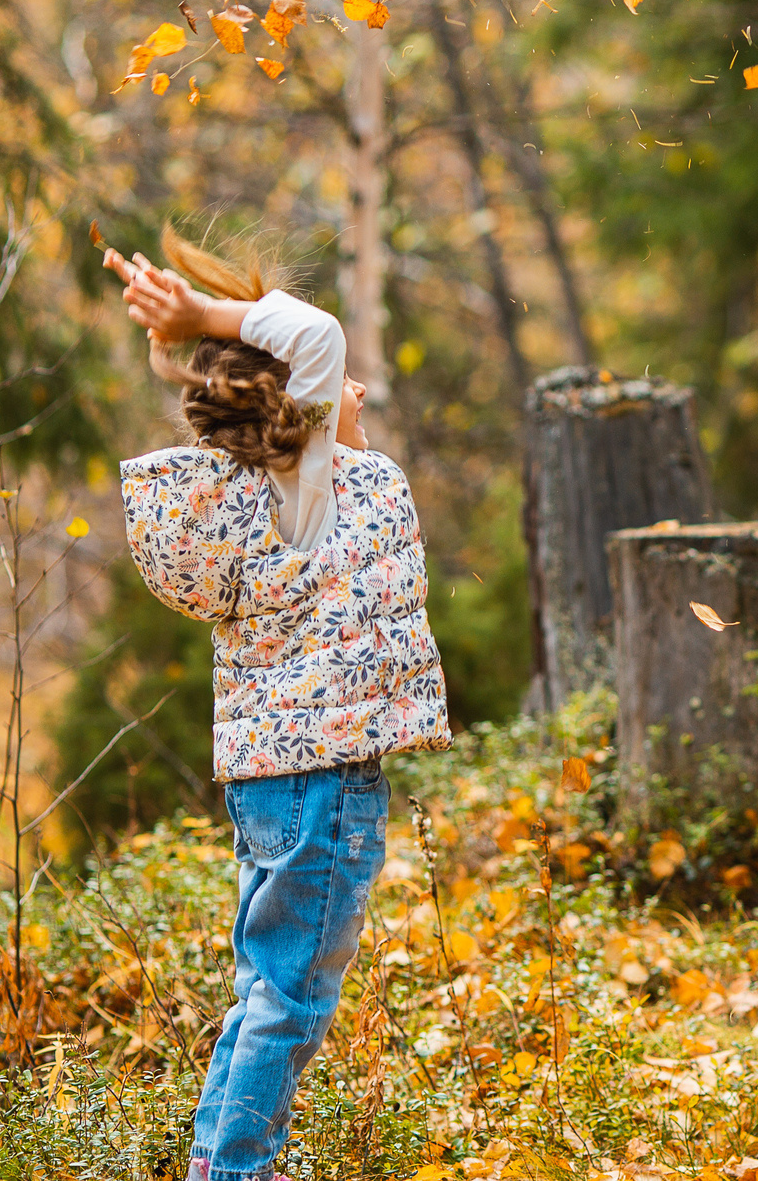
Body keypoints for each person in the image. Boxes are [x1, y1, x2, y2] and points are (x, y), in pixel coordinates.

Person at [106, 230, 450, 1181]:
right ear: (291, 404)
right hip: (319, 786)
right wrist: (206, 319)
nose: (359, 392)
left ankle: (219, 1160)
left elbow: (315, 352)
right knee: (290, 999)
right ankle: (237, 1170)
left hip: (270, 787)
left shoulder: (252, 499)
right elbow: (320, 334)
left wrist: (194, 332)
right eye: (342, 386)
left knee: (263, 987)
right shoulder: (301, 491)